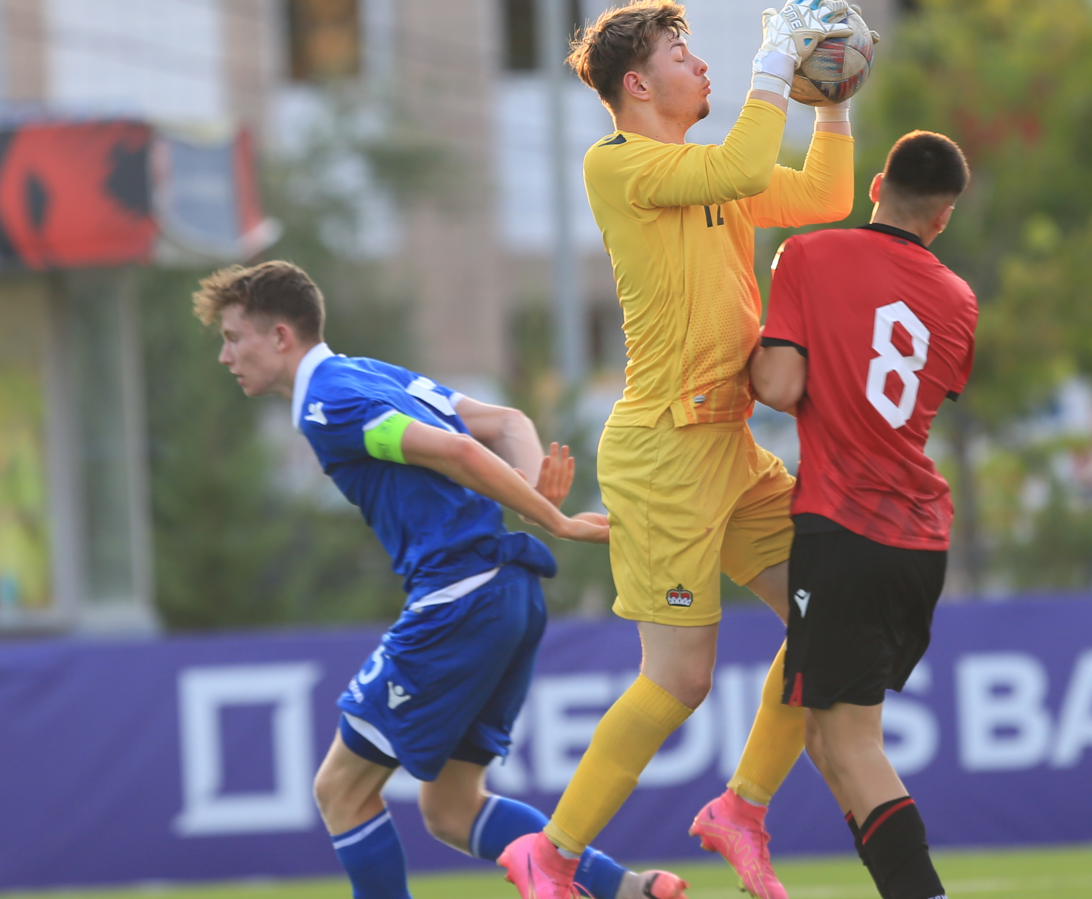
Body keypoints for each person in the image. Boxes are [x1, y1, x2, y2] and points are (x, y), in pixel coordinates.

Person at [500, 1, 863, 897]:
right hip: (662, 453)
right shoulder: (617, 164)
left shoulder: (706, 171)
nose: (703, 67)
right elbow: (745, 161)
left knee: (835, 615)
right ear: (637, 83)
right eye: (682, 53)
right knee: (678, 682)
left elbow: (826, 198)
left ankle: (740, 809)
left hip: (729, 449)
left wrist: (832, 98)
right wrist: (775, 61)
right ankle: (549, 855)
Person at [192, 260, 688, 899]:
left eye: (234, 337)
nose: (226, 355)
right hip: (508, 593)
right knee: (451, 810)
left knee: (340, 790)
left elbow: (458, 451)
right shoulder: (369, 373)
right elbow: (509, 423)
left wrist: (554, 518)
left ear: (281, 336)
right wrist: (539, 486)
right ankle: (630, 890)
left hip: (459, 597)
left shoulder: (327, 402)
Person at [751, 130, 976, 899]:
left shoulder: (808, 256)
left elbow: (780, 387)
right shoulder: (957, 298)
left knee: (851, 743)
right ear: (942, 218)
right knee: (824, 740)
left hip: (845, 527)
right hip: (919, 541)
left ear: (876, 183)